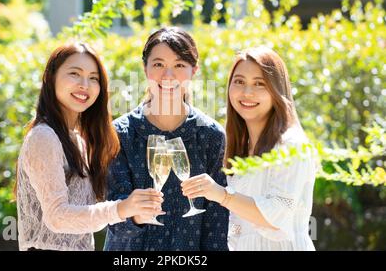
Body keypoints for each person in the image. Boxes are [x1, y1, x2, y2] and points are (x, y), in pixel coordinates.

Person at [16, 43, 164, 251]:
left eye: (94, 78)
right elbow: (57, 217)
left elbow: (87, 212)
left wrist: (134, 209)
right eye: (74, 74)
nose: (85, 84)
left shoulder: (79, 139)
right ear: (50, 77)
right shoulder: (44, 137)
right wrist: (120, 208)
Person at [104, 27, 229, 251]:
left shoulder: (211, 135)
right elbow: (112, 220)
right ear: (145, 69)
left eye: (179, 65)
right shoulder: (120, 134)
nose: (168, 76)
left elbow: (217, 226)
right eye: (159, 64)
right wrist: (136, 215)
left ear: (194, 71)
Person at [182, 47, 316, 251]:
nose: (247, 93)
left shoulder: (291, 145)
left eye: (259, 84)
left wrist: (221, 194)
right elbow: (238, 226)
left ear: (276, 90)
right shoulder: (240, 147)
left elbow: (276, 216)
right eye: (239, 82)